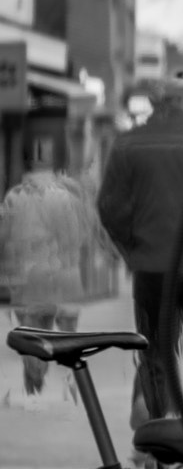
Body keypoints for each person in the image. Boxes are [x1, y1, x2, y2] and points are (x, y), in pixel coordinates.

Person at [97, 86, 183, 425]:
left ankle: (159, 422)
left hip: (153, 266)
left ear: (152, 107)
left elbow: (109, 209)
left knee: (155, 352)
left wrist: (132, 248)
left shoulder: (129, 144)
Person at [0, 149, 98, 402]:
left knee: (33, 329)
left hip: (30, 276)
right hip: (64, 274)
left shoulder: (13, 197)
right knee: (67, 334)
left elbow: (4, 238)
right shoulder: (68, 196)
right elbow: (82, 236)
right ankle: (72, 386)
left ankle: (35, 374)